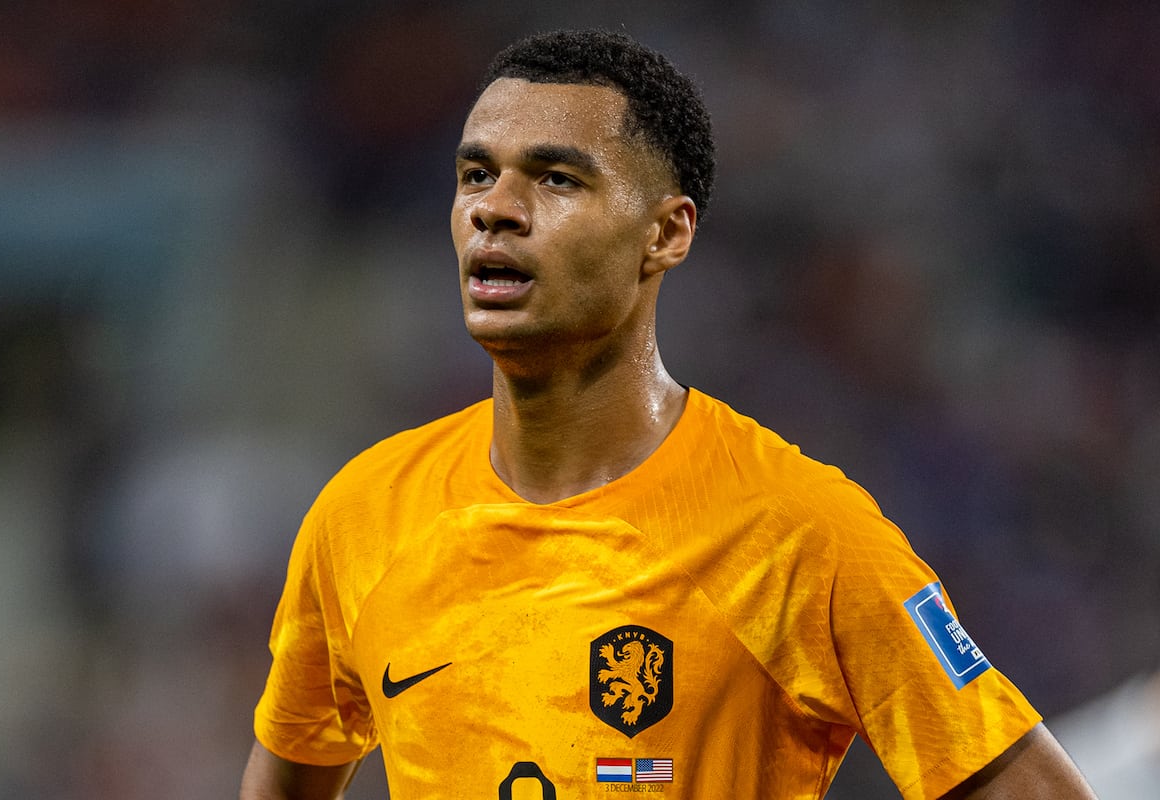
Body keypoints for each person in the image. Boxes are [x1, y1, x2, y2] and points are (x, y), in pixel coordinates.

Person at [240, 29, 1096, 800]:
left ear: (666, 234)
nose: (495, 208)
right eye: (475, 174)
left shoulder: (797, 531)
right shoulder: (364, 516)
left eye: (557, 178)